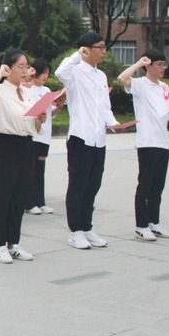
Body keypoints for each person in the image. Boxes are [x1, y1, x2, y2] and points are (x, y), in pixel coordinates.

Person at [55, 33, 122, 250]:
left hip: (98, 139)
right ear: (87, 49)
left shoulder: (101, 76)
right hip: (80, 137)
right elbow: (59, 72)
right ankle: (75, 231)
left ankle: (86, 227)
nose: (104, 51)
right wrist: (77, 55)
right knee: (78, 185)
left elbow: (105, 107)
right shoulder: (74, 72)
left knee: (93, 185)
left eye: (104, 47)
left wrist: (114, 124)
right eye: (100, 47)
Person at [0, 49, 44, 264]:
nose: (25, 71)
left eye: (27, 66)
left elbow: (34, 125)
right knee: (2, 195)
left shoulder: (28, 92)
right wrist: (0, 73)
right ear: (9, 67)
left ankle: (13, 243)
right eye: (20, 66)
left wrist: (40, 119)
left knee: (19, 196)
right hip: (5, 145)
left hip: (26, 144)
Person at [118, 50, 169, 241]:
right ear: (149, 65)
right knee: (145, 185)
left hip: (163, 142)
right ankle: (141, 225)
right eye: (159, 64)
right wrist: (139, 63)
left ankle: (154, 222)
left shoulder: (165, 87)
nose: (163, 68)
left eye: (164, 64)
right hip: (147, 142)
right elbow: (122, 78)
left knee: (157, 186)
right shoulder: (140, 84)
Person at [25, 58, 63, 216]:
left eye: (48, 73)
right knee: (30, 169)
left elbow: (50, 113)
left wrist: (59, 106)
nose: (45, 76)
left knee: (40, 170)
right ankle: (29, 202)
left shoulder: (47, 90)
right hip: (33, 133)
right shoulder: (27, 88)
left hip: (45, 134)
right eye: (43, 73)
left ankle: (40, 201)